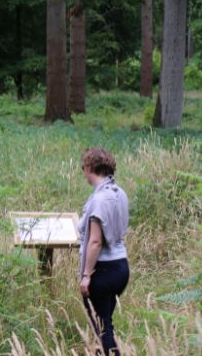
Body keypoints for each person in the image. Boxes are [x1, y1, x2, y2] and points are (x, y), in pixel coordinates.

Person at [77, 147, 130, 355]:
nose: (83, 172)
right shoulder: (119, 193)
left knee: (102, 328)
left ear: (90, 168)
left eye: (83, 168)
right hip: (121, 267)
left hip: (103, 270)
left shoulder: (99, 200)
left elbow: (96, 242)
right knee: (105, 323)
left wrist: (86, 276)